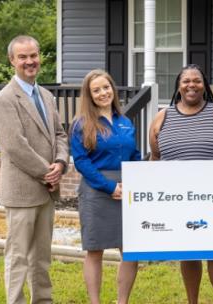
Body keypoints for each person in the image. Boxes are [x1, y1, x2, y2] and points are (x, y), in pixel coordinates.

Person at [149, 64, 213, 304]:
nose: (191, 85)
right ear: (178, 86)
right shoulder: (162, 117)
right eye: (186, 81)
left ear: (204, 85)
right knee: (188, 255)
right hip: (177, 200)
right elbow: (155, 158)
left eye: (197, 81)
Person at [0, 35, 69, 303]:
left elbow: (59, 134)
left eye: (33, 55)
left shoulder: (46, 95)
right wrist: (47, 172)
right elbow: (15, 146)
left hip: (47, 191)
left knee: (42, 257)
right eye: (22, 57)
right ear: (12, 60)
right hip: (22, 191)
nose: (29, 61)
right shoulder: (5, 99)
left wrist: (60, 163)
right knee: (19, 256)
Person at [70, 69, 141, 304]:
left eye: (106, 87)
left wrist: (137, 179)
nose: (103, 93)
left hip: (127, 190)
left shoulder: (125, 122)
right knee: (95, 250)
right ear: (89, 95)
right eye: (96, 90)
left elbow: (134, 155)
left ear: (113, 88)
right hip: (96, 190)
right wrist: (109, 187)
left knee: (130, 250)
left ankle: (122, 301)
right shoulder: (81, 124)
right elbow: (81, 162)